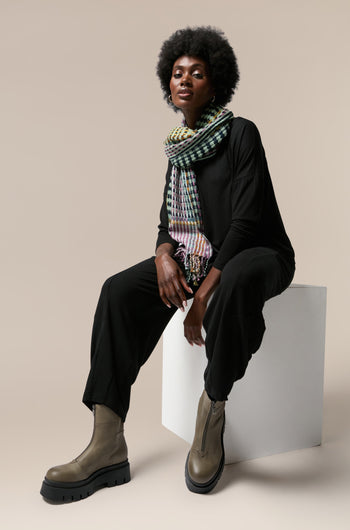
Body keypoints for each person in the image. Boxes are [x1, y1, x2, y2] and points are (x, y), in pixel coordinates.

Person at [40, 26, 295, 502]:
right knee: (117, 291)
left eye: (196, 73)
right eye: (177, 73)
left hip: (259, 253)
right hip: (198, 261)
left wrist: (200, 298)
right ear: (168, 84)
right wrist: (162, 257)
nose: (184, 81)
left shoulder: (241, 133)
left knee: (235, 278)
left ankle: (211, 411)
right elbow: (167, 227)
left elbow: (244, 223)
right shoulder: (179, 152)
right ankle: (107, 440)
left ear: (214, 83)